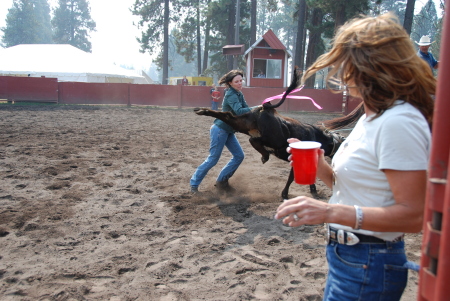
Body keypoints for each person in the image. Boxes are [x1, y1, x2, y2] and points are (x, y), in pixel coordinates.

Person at [274, 13, 435, 300]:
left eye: (345, 62)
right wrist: (319, 164)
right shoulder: (371, 116)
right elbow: (355, 189)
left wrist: (328, 212)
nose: (340, 72)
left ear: (368, 66)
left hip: (369, 261)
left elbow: (414, 215)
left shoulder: (398, 122)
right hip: (348, 257)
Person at [190, 70, 251, 194]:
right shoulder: (231, 94)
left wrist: (256, 109)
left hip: (228, 131)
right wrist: (258, 107)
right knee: (213, 159)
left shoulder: (239, 94)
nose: (240, 83)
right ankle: (194, 184)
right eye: (237, 81)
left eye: (241, 81)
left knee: (239, 156)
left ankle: (221, 182)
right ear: (230, 83)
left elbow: (246, 110)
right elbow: (239, 111)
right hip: (220, 130)